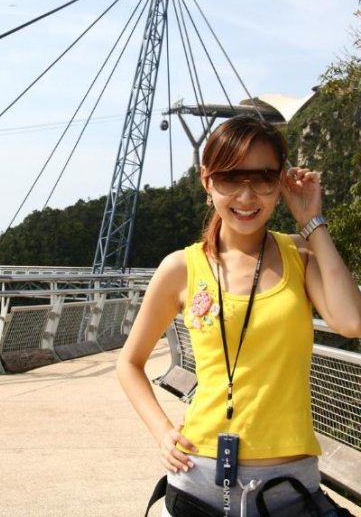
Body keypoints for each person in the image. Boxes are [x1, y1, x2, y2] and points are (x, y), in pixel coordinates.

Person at [116, 114, 361, 517]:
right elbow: (129, 363)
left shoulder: (300, 255)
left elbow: (351, 322)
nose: (247, 196)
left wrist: (312, 222)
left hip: (291, 490)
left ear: (281, 182)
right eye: (230, 178)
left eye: (263, 178)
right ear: (207, 180)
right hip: (198, 484)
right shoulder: (181, 268)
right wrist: (163, 432)